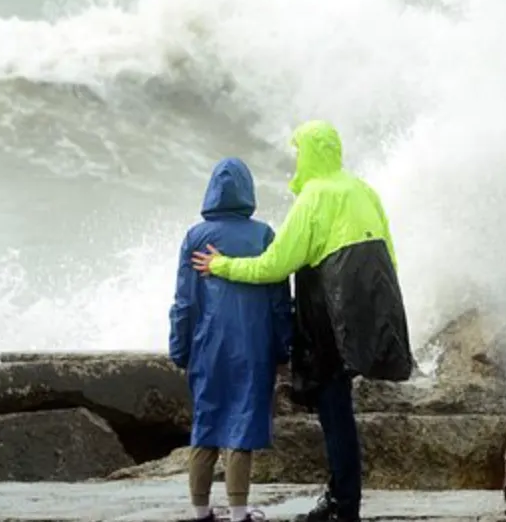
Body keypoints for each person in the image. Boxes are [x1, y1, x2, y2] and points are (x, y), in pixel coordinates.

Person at [192, 120, 414, 522]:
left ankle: (343, 504)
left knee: (334, 409)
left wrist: (221, 265)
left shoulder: (314, 197)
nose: (296, 159)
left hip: (329, 314)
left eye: (298, 152)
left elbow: (274, 266)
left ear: (310, 154)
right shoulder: (364, 190)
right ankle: (343, 498)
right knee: (340, 407)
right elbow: (391, 255)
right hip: (369, 307)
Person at [169, 157, 294, 522]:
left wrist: (180, 347)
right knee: (242, 423)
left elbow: (184, 301)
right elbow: (278, 301)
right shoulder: (263, 235)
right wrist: (284, 345)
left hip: (207, 346)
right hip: (253, 347)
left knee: (205, 422)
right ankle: (239, 512)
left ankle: (199, 511)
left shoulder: (195, 237)